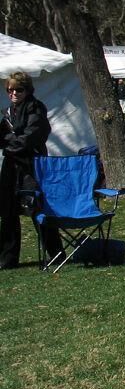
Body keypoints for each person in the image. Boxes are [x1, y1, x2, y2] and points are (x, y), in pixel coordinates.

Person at [1, 71, 60, 268]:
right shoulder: (9, 112)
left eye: (19, 89)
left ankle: (56, 253)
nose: (14, 93)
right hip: (11, 166)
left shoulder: (36, 108)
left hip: (31, 166)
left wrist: (10, 141)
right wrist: (10, 141)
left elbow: (32, 136)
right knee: (8, 212)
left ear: (27, 90)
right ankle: (8, 259)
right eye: (10, 90)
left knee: (36, 208)